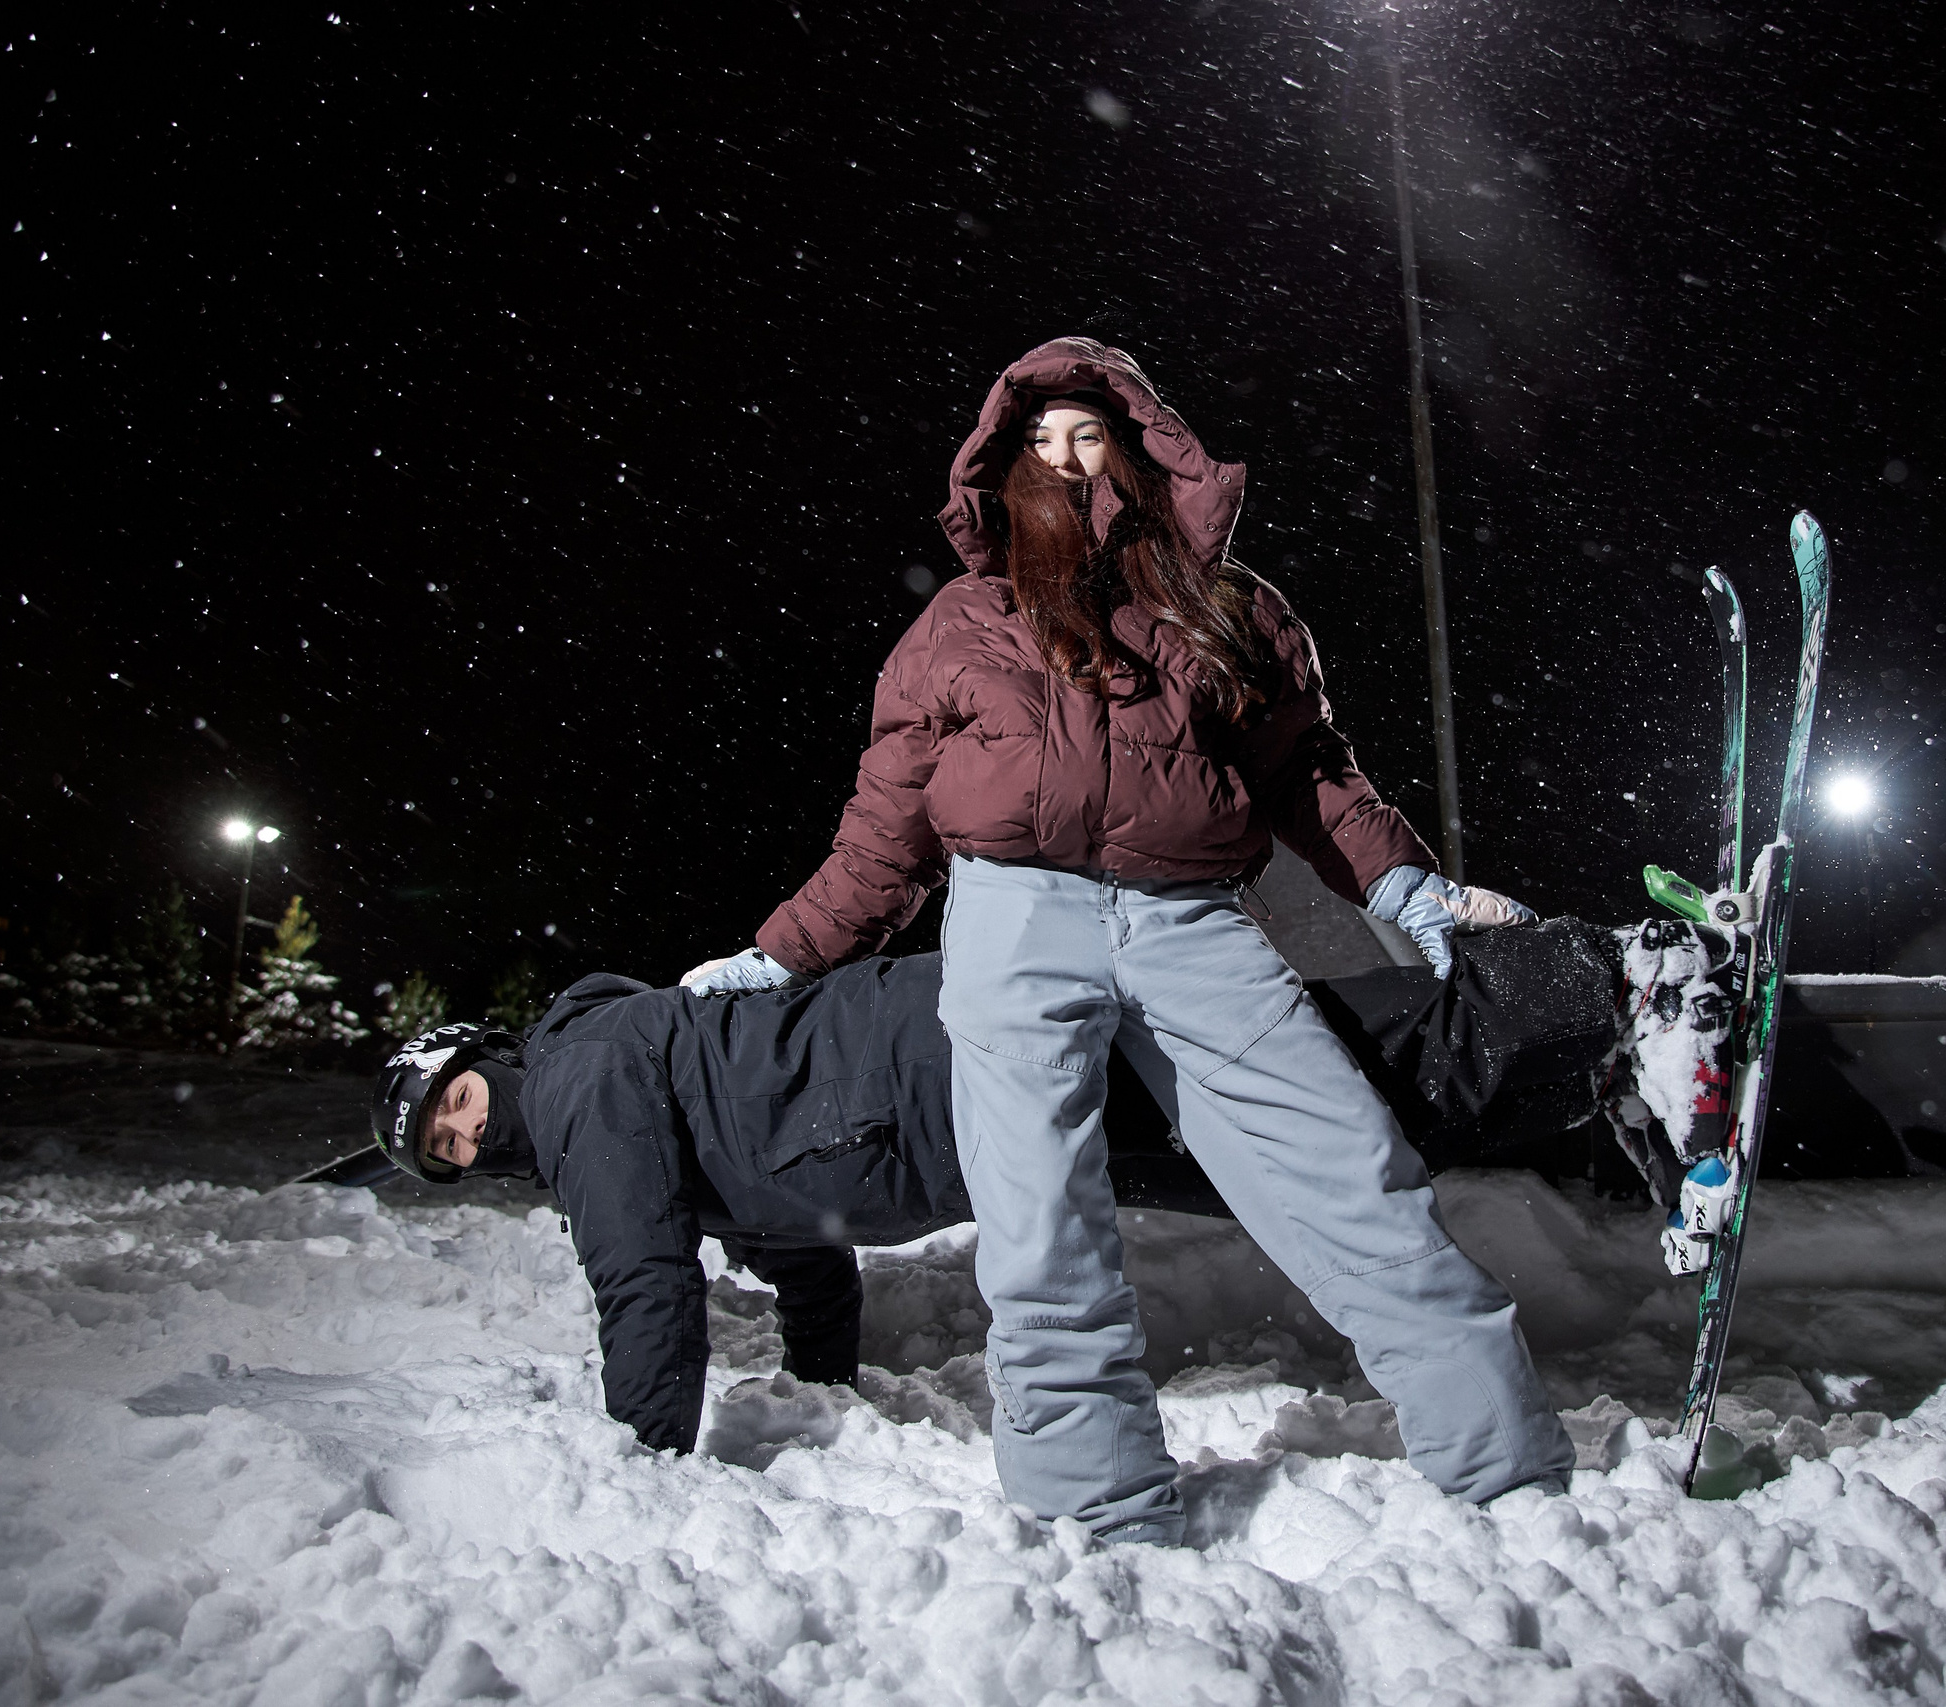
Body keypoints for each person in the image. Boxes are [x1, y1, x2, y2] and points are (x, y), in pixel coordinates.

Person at [673, 337, 1600, 1545]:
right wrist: (787, 952)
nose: (1064, 461)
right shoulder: (960, 623)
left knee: (1353, 1178)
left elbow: (1311, 778)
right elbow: (885, 831)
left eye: (1088, 435)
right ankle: (1095, 1516)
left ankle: (1510, 1476)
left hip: (1195, 922)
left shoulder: (1230, 607)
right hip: (1011, 923)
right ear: (1001, 466)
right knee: (1040, 1232)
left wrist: (1405, 884)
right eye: (1040, 441)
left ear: (1141, 446)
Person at [364, 910, 1738, 1462]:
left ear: (486, 1059)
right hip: (967, 1102)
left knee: (1280, 1083)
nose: (468, 1135)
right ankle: (1600, 1051)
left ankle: (1613, 976)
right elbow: (803, 1238)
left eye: (457, 1103)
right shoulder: (614, 1089)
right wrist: (824, 1376)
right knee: (1272, 1141)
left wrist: (635, 1459)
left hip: (963, 1064)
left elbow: (643, 1284)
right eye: (446, 1149)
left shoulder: (575, 1081)